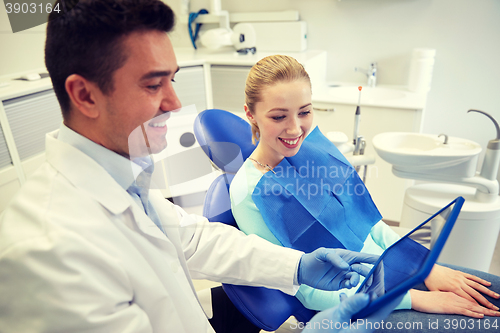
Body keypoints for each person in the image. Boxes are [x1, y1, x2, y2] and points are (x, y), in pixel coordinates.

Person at [0, 1, 399, 332]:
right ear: (84, 95)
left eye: (172, 80)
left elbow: (193, 240)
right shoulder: (50, 253)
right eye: (154, 85)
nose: (175, 104)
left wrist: (297, 266)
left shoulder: (122, 181)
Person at [229, 54, 500, 325]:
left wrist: (423, 266)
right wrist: (412, 298)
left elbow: (369, 224)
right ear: (250, 114)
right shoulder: (249, 192)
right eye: (278, 116)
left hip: (396, 269)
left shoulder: (311, 147)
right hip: (357, 304)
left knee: (494, 290)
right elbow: (309, 291)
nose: (295, 128)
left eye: (304, 112)